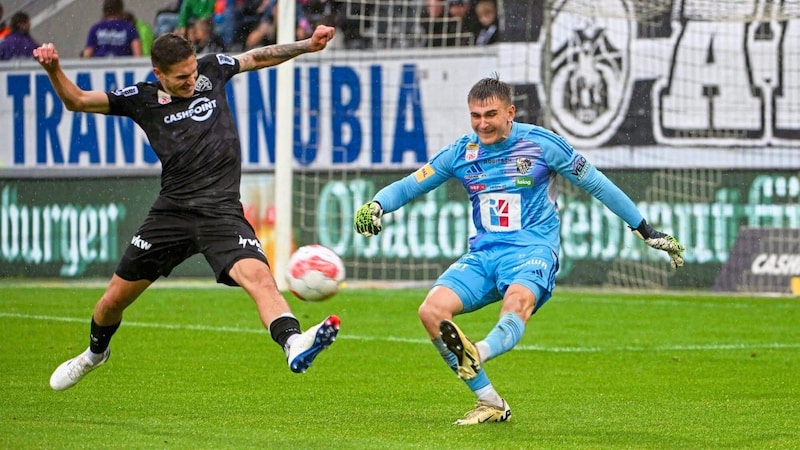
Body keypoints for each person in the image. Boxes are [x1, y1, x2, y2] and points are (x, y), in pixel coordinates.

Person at [353, 75, 685, 425]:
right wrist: (377, 205)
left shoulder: (543, 145)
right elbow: (412, 184)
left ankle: (476, 352)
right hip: (484, 255)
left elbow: (598, 184)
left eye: (491, 114)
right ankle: (491, 402)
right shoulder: (462, 152)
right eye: (476, 116)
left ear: (510, 112)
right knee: (431, 311)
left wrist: (644, 229)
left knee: (516, 302)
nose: (482, 123)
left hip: (533, 250)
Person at [34, 25, 340, 391]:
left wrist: (308, 44)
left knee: (260, 279)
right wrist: (53, 69)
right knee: (111, 302)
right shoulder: (140, 99)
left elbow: (257, 56)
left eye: (193, 71)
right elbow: (78, 101)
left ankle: (294, 344)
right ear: (158, 74)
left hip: (222, 213)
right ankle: (94, 354)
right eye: (181, 77)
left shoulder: (212, 71)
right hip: (171, 214)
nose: (192, 81)